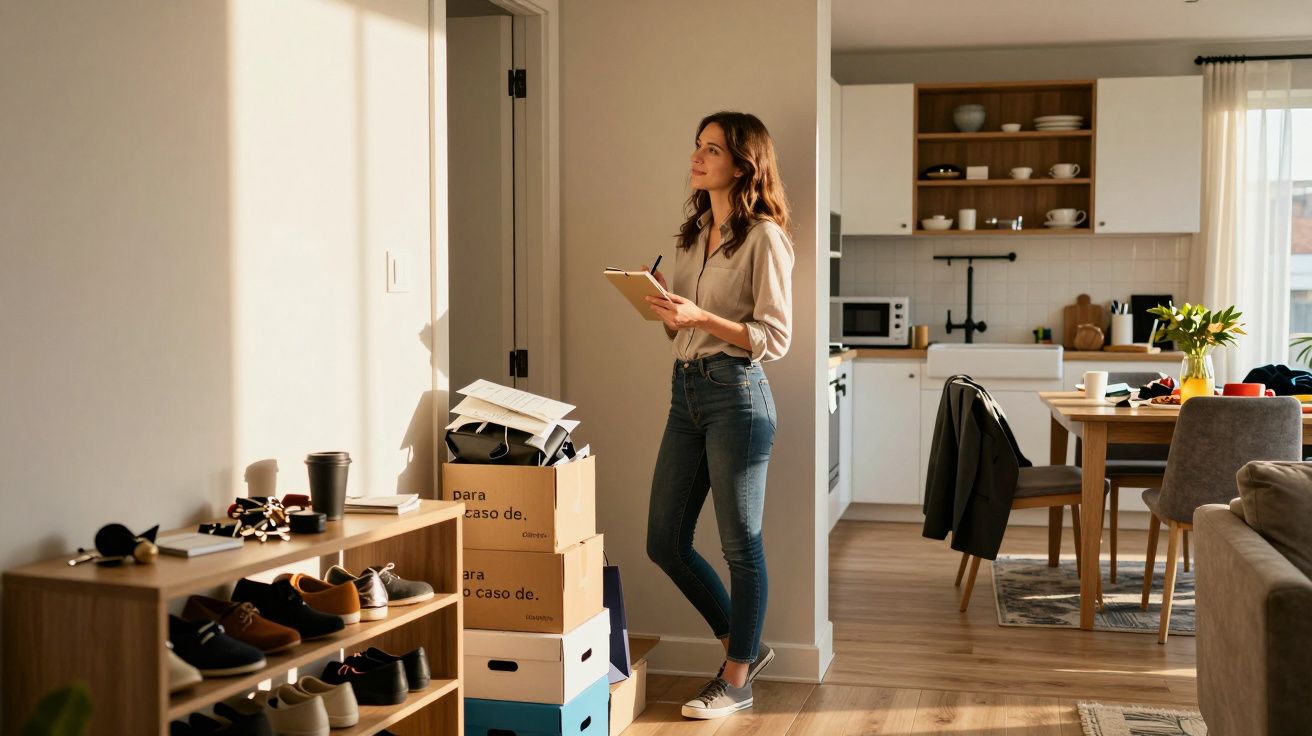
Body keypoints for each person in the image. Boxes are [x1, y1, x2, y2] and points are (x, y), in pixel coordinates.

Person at [643, 111, 794, 720]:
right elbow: (683, 328)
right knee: (664, 541)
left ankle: (736, 679)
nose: (697, 158)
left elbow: (774, 337)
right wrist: (666, 310)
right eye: (696, 146)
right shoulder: (693, 232)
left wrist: (701, 319)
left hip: (737, 397)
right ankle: (745, 647)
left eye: (711, 149)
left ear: (742, 163)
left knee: (741, 545)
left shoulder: (765, 238)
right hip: (686, 392)